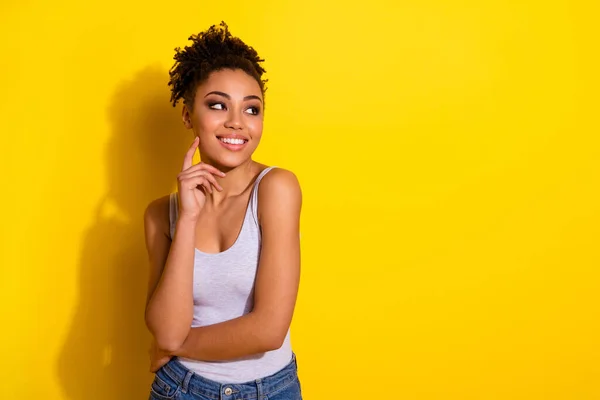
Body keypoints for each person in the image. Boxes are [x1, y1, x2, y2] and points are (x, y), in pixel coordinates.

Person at [143, 22, 303, 400]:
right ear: (187, 116)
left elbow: (269, 330)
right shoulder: (158, 216)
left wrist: (174, 348)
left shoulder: (277, 189)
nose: (236, 122)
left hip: (270, 390)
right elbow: (166, 328)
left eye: (251, 109)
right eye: (218, 105)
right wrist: (188, 219)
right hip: (180, 390)